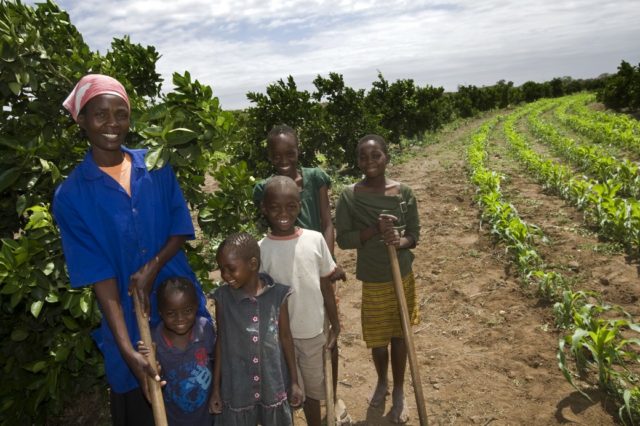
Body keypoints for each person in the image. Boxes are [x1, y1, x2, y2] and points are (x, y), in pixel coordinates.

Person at [53, 74, 210, 426]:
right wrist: (128, 352)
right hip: (127, 321)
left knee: (196, 401)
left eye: (121, 114)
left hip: (180, 307)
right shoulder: (71, 196)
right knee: (143, 410)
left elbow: (180, 228)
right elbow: (101, 278)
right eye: (100, 114)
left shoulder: (155, 166)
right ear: (81, 120)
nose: (112, 124)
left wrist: (153, 266)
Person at [252, 124, 349, 422]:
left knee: (321, 338)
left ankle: (329, 397)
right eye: (277, 154)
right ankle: (306, 396)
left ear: (298, 150)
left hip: (314, 260)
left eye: (290, 152)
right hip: (283, 265)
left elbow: (326, 221)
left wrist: (328, 262)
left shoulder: (315, 177)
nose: (284, 158)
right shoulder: (264, 189)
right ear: (270, 156)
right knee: (289, 351)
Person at [335, 134, 420, 424]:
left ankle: (398, 391)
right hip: (373, 278)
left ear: (387, 157)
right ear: (357, 161)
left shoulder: (404, 193)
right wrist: (373, 229)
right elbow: (344, 239)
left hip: (402, 274)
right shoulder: (349, 196)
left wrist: (399, 240)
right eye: (363, 157)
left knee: (400, 335)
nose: (369, 162)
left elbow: (415, 236)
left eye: (376, 156)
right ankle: (382, 381)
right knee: (378, 341)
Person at [209, 232, 303, 425]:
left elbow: (285, 337)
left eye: (231, 269)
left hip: (273, 382)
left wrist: (294, 382)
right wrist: (216, 388)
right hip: (238, 386)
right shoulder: (223, 298)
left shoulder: (278, 295)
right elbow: (221, 341)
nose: (225, 276)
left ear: (252, 264)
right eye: (221, 269)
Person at [138, 277, 215, 426]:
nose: (180, 319)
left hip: (207, 417)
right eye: (171, 313)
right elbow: (153, 378)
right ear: (160, 312)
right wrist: (148, 365)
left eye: (187, 311)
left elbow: (217, 361)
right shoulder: (153, 341)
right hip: (173, 419)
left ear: (196, 306)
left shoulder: (205, 329)